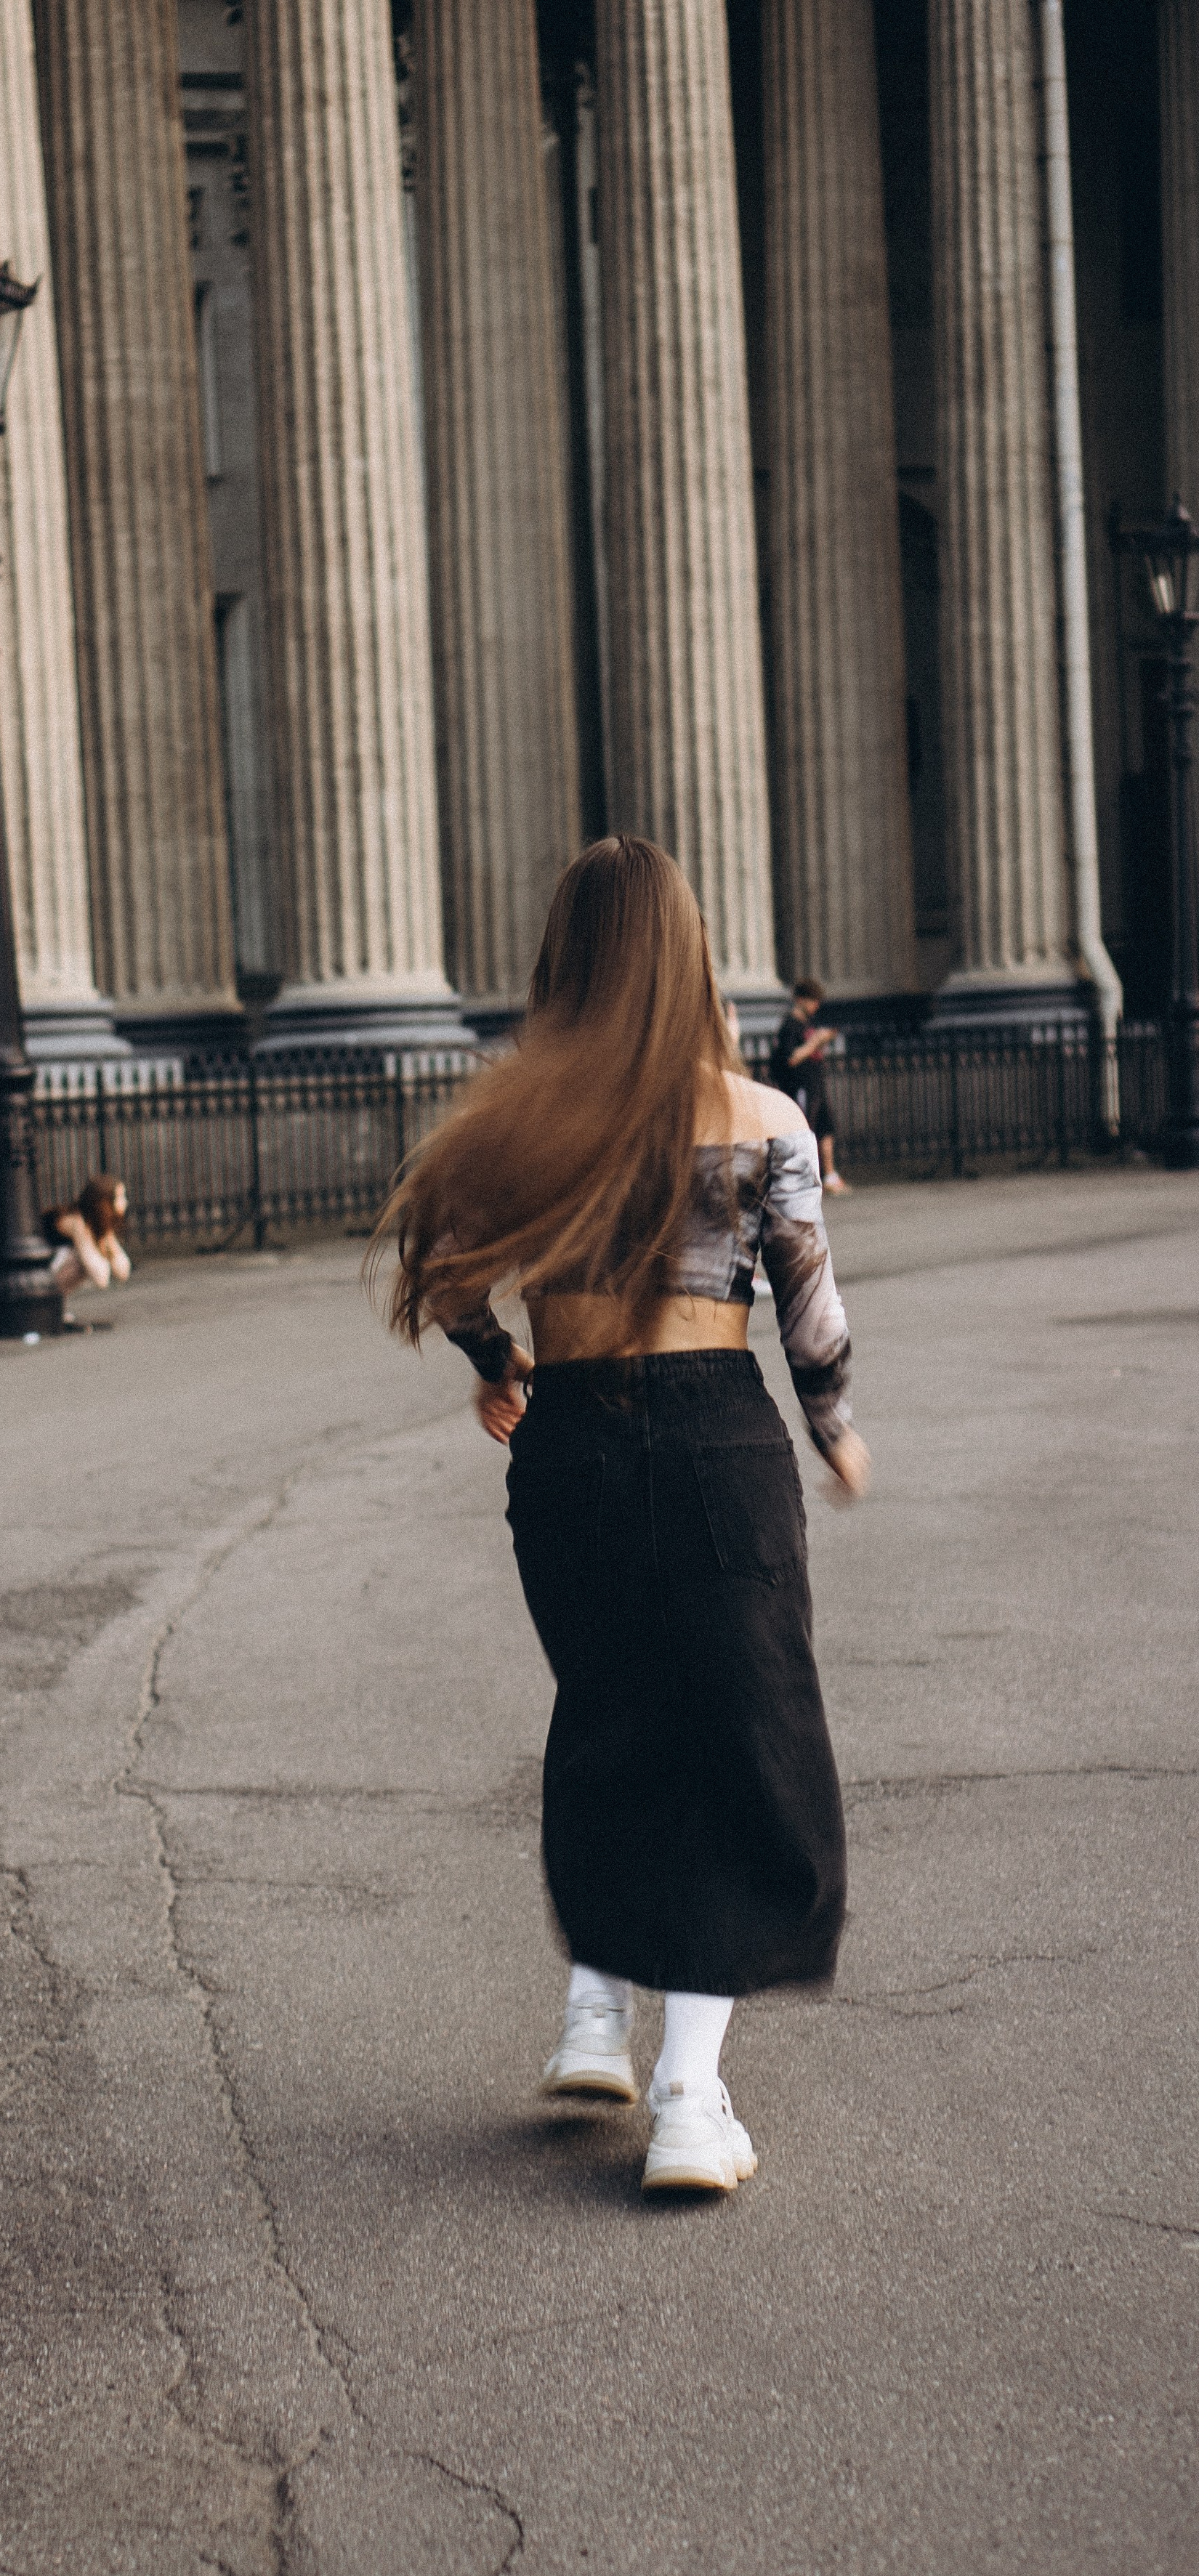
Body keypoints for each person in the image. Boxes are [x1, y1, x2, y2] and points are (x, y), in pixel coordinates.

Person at [374, 837, 868, 2201]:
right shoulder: (762, 1118)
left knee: (611, 1715)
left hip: (572, 1443)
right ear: (688, 957)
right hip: (717, 1437)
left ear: (566, 965)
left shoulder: (521, 1126)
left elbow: (440, 1260)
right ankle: (690, 2100)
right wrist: (834, 1430)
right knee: (738, 1745)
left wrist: (498, 1368)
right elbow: (811, 1310)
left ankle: (595, 2017)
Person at [769, 977, 847, 1192]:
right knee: (805, 1131)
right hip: (800, 1086)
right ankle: (804, 1176)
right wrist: (816, 1042)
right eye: (812, 1000)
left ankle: (829, 1174)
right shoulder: (790, 1025)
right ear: (800, 999)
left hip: (815, 1085)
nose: (816, 1005)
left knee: (826, 1127)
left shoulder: (806, 1023)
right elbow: (791, 1058)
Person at [44, 1173, 132, 1316]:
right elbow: (101, 1278)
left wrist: (107, 1237)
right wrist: (104, 1242)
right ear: (105, 1202)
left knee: (84, 1261)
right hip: (45, 1271)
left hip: (52, 1268)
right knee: (80, 1262)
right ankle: (49, 1304)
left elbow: (123, 1271)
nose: (125, 1202)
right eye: (120, 1197)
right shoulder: (75, 1221)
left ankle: (54, 1306)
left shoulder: (96, 1223)